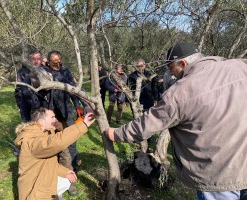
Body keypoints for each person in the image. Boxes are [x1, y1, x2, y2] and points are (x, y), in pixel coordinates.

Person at [106, 42, 247, 199]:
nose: (171, 74)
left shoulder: (183, 90)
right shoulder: (239, 66)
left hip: (218, 175)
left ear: (183, 63)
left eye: (171, 68)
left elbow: (150, 122)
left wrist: (117, 133)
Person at [15, 107, 95, 200]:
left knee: (66, 180)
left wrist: (64, 172)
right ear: (41, 121)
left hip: (42, 182)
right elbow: (56, 142)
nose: (55, 120)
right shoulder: (33, 141)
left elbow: (46, 164)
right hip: (35, 195)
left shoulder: (40, 133)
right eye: (52, 117)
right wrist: (83, 124)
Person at [40, 50, 87, 195]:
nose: (58, 63)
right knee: (53, 146)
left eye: (59, 60)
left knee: (71, 143)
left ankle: (71, 174)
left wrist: (80, 106)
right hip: (51, 116)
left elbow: (74, 90)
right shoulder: (43, 72)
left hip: (67, 112)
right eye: (55, 61)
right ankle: (54, 177)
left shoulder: (66, 71)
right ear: (48, 61)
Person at [14, 50, 43, 122]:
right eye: (34, 59)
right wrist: (20, 106)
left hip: (43, 107)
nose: (36, 61)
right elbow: (18, 90)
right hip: (27, 107)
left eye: (38, 59)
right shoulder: (22, 72)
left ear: (41, 60)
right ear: (29, 60)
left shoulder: (44, 71)